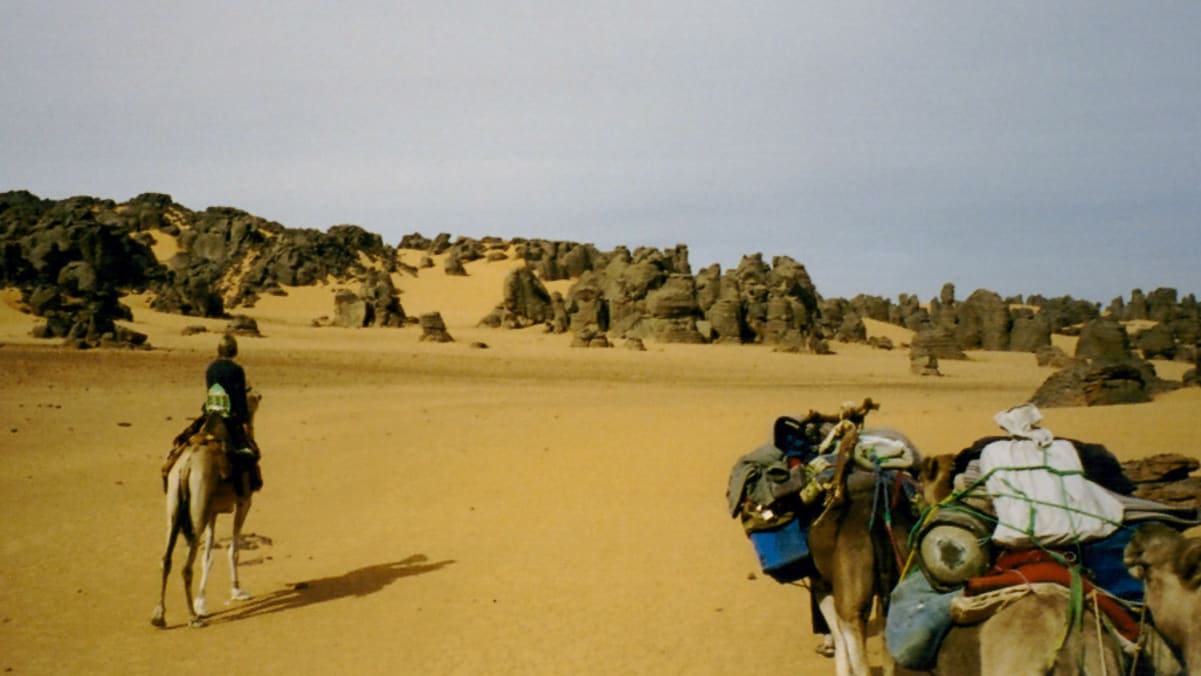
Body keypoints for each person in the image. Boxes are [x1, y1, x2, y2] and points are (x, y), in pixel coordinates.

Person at [205, 334, 263, 495]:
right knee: (247, 452)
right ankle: (243, 490)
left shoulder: (211, 368)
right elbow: (238, 398)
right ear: (234, 351)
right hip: (229, 415)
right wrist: (244, 421)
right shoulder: (236, 370)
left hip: (210, 412)